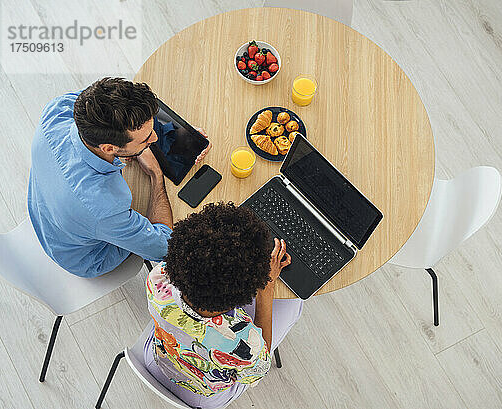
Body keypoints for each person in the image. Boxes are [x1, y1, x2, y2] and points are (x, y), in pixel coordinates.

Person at [27, 77, 210, 277]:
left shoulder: (59, 109)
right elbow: (163, 247)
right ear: (108, 148)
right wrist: (156, 175)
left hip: (44, 208)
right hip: (84, 256)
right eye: (147, 138)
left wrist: (183, 134)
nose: (155, 138)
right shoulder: (106, 206)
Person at [144, 202, 304, 408]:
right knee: (294, 303)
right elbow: (259, 369)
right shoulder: (242, 342)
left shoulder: (157, 276)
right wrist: (267, 286)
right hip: (201, 395)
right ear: (239, 297)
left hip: (159, 357)